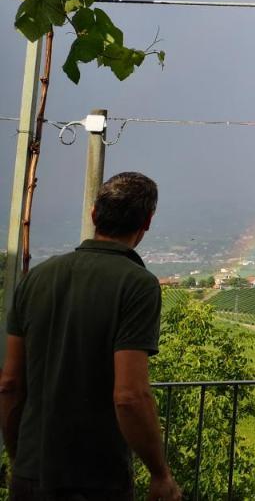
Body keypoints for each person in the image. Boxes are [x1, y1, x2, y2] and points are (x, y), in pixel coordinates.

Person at [0, 172, 181, 501]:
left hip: (30, 475)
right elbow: (129, 395)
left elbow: (10, 383)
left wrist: (19, 460)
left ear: (94, 214)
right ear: (147, 223)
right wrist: (160, 474)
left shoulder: (36, 278)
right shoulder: (137, 284)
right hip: (97, 479)